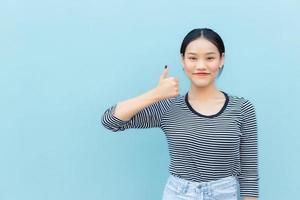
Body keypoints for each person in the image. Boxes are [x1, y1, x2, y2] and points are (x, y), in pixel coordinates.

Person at [101, 28, 259, 200]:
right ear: (182, 61)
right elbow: (110, 120)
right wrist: (156, 94)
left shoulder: (242, 108)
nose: (201, 66)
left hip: (224, 193)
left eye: (210, 58)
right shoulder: (169, 107)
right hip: (179, 194)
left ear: (222, 59)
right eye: (192, 58)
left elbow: (249, 173)